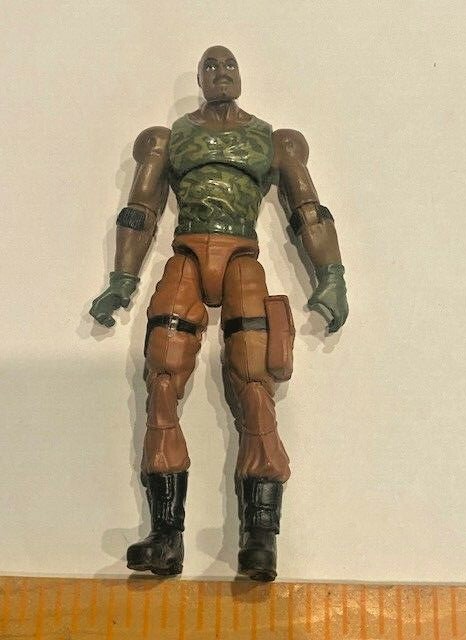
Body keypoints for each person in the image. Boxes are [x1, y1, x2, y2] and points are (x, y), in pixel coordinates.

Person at [90, 45, 348, 581]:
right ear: (200, 78)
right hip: (187, 251)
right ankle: (166, 535)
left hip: (241, 256)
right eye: (211, 67)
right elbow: (141, 209)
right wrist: (121, 280)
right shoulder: (167, 138)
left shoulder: (273, 140)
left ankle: (260, 537)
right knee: (163, 372)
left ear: (241, 75)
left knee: (255, 379)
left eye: (229, 65)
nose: (221, 73)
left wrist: (332, 275)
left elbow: (308, 210)